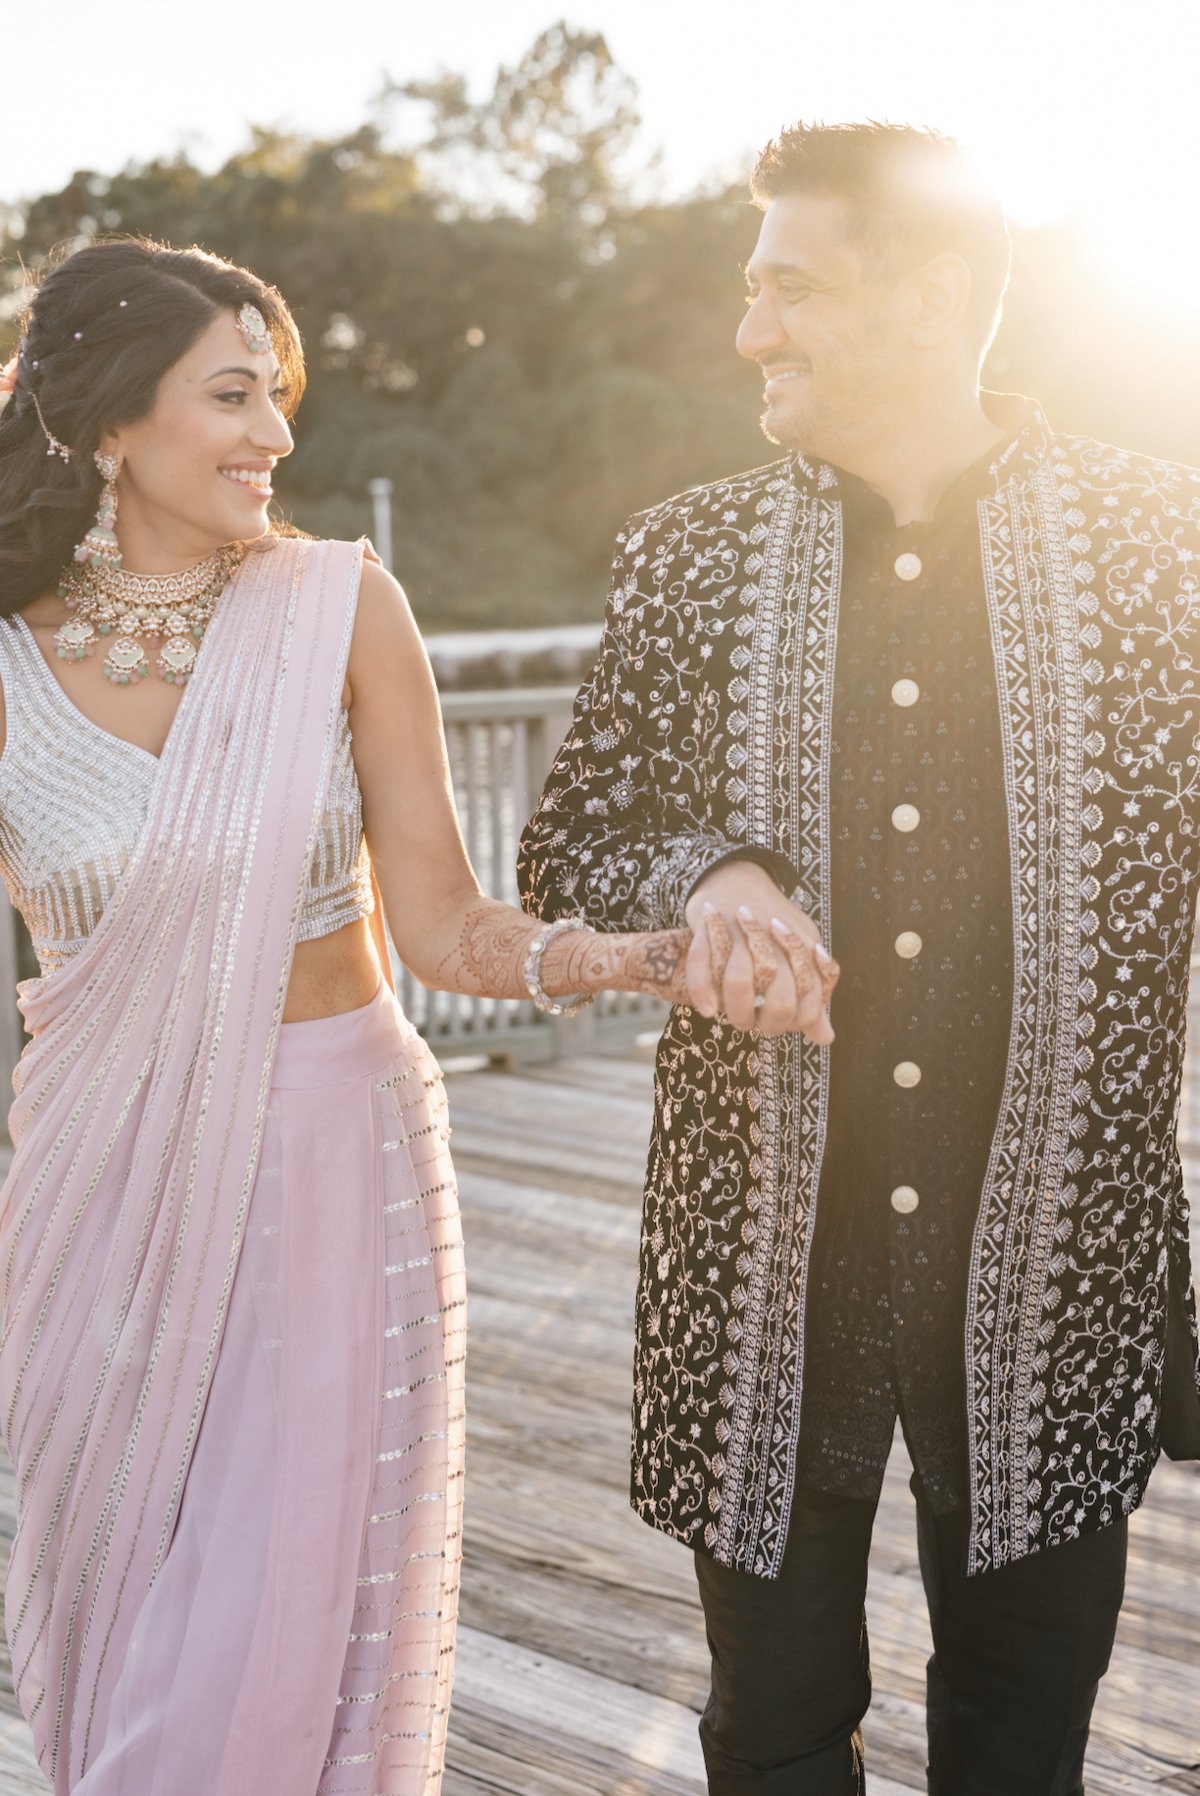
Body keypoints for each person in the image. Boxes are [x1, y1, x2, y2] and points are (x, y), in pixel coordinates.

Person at [518, 122, 1200, 1795]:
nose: (752, 333)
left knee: (1023, 1742)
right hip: (756, 1268)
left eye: (790, 289)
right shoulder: (691, 555)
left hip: (1055, 1262)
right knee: (767, 1736)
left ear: (933, 296)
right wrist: (717, 872)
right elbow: (572, 841)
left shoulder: (1159, 550)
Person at [0, 236, 717, 1796]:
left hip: (331, 1148)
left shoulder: (340, 610)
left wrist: (647, 957)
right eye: (234, 394)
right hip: (93, 1184)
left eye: (282, 397)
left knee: (279, 1606)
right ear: (109, 423)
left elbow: (451, 927)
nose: (277, 435)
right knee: (123, 1587)